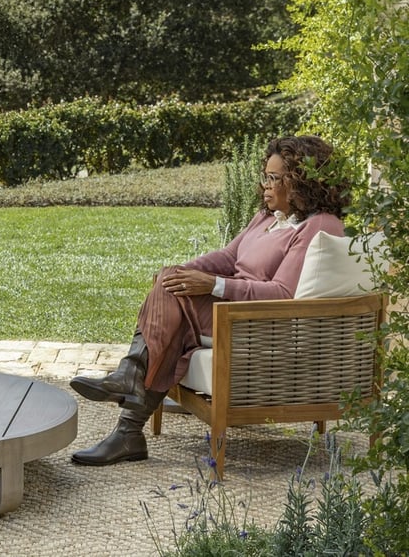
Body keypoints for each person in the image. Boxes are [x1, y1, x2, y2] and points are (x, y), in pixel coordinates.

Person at [69, 135, 351, 466]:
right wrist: (184, 271)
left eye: (275, 178)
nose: (265, 184)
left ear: (301, 180)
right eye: (265, 175)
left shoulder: (318, 225)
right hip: (228, 308)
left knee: (172, 298)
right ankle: (128, 425)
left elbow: (282, 293)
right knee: (172, 292)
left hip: (256, 321)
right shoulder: (267, 217)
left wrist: (213, 284)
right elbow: (229, 256)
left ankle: (129, 394)